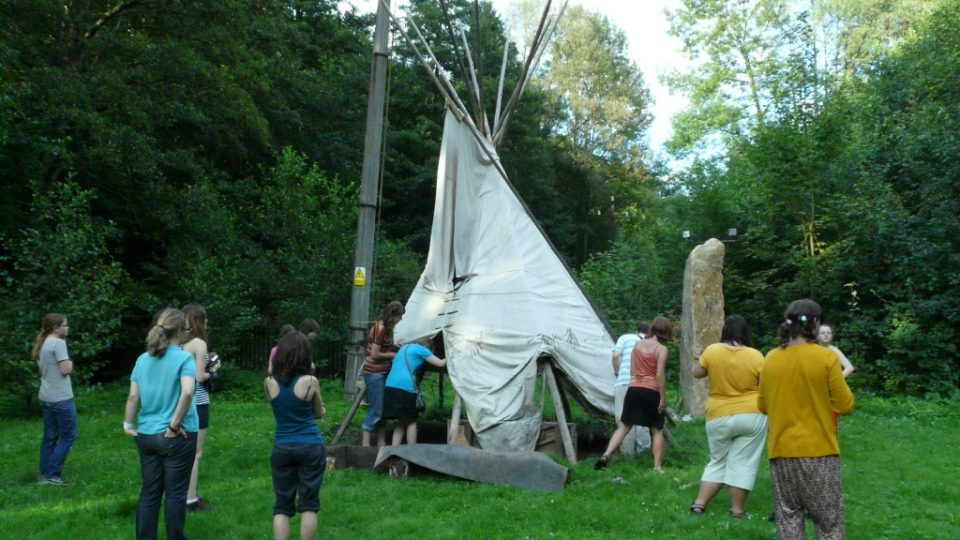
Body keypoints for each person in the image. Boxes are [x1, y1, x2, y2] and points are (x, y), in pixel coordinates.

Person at [758, 299, 855, 540]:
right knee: (828, 522)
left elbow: (762, 405)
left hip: (781, 451)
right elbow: (845, 404)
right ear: (815, 323)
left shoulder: (770, 358)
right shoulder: (825, 358)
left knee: (788, 518)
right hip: (819, 451)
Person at [123, 308, 199, 540]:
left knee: (150, 492)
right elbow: (187, 393)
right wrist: (174, 426)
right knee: (175, 493)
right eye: (186, 329)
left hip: (145, 435)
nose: (188, 333)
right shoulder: (184, 357)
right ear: (178, 331)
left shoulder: (142, 359)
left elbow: (133, 397)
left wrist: (127, 423)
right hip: (177, 436)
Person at [690, 315, 767, 519]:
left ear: (725, 330)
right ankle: (737, 510)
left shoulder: (713, 350)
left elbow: (697, 373)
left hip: (718, 414)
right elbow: (767, 384)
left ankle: (699, 504)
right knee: (743, 462)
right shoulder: (756, 356)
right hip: (752, 414)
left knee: (717, 460)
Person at [265, 331, 326, 540]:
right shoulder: (310, 381)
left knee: (282, 505)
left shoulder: (269, 382)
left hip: (282, 446)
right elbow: (318, 414)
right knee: (309, 503)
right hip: (310, 445)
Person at [595, 316, 673, 472]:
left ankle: (606, 455)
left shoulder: (637, 345)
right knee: (657, 429)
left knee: (624, 426)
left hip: (633, 388)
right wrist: (663, 398)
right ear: (665, 332)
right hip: (651, 390)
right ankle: (657, 467)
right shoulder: (661, 349)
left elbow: (632, 369)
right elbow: (659, 375)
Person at [182, 303, 220, 512]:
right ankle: (190, 499)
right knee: (195, 453)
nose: (208, 322)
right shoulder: (198, 343)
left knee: (178, 452)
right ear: (199, 321)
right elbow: (200, 377)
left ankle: (177, 495)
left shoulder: (177, 342)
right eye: (205, 318)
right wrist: (214, 370)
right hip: (198, 403)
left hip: (178, 402)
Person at [34, 313, 76, 485]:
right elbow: (65, 370)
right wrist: (71, 363)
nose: (68, 328)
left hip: (46, 396)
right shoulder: (58, 343)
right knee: (68, 436)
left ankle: (45, 475)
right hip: (61, 397)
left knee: (49, 437)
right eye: (65, 325)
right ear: (55, 327)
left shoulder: (43, 342)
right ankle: (53, 474)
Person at [382, 337, 446, 445]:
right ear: (429, 347)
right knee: (412, 422)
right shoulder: (423, 350)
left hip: (390, 385)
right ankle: (412, 451)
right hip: (404, 387)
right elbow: (440, 363)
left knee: (402, 421)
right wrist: (449, 355)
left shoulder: (404, 347)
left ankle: (394, 451)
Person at [361, 301, 405, 447]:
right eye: (400, 316)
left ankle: (381, 444)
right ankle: (365, 445)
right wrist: (392, 355)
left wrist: (395, 347)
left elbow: (383, 348)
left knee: (382, 410)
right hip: (374, 373)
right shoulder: (379, 328)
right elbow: (374, 354)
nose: (401, 320)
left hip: (383, 372)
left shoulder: (388, 328)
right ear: (392, 315)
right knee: (376, 409)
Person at [611, 321, 651, 454]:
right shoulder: (652, 344)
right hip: (643, 385)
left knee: (624, 419)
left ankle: (627, 456)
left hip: (624, 382)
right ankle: (644, 454)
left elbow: (616, 355)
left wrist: (617, 372)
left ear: (636, 331)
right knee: (642, 419)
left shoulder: (625, 338)